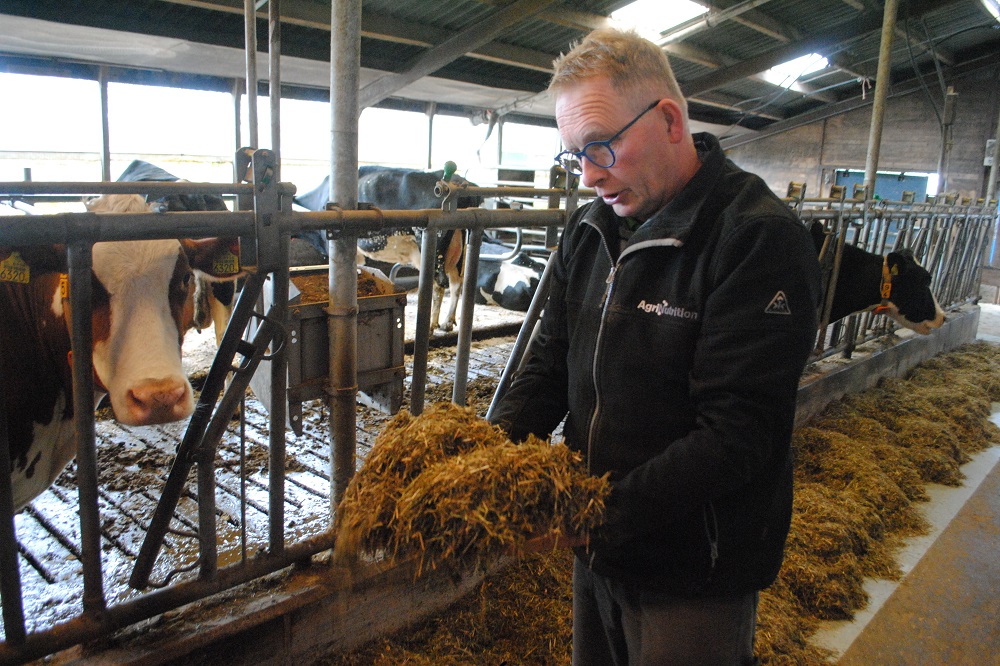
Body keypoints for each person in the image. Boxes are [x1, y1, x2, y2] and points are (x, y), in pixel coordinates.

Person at [489, 27, 822, 665]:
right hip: (597, 548)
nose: (589, 175)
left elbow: (738, 434)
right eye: (575, 155)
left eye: (601, 146)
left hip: (693, 565)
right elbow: (550, 363)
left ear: (669, 120)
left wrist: (592, 516)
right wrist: (483, 457)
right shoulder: (590, 228)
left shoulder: (755, 238)